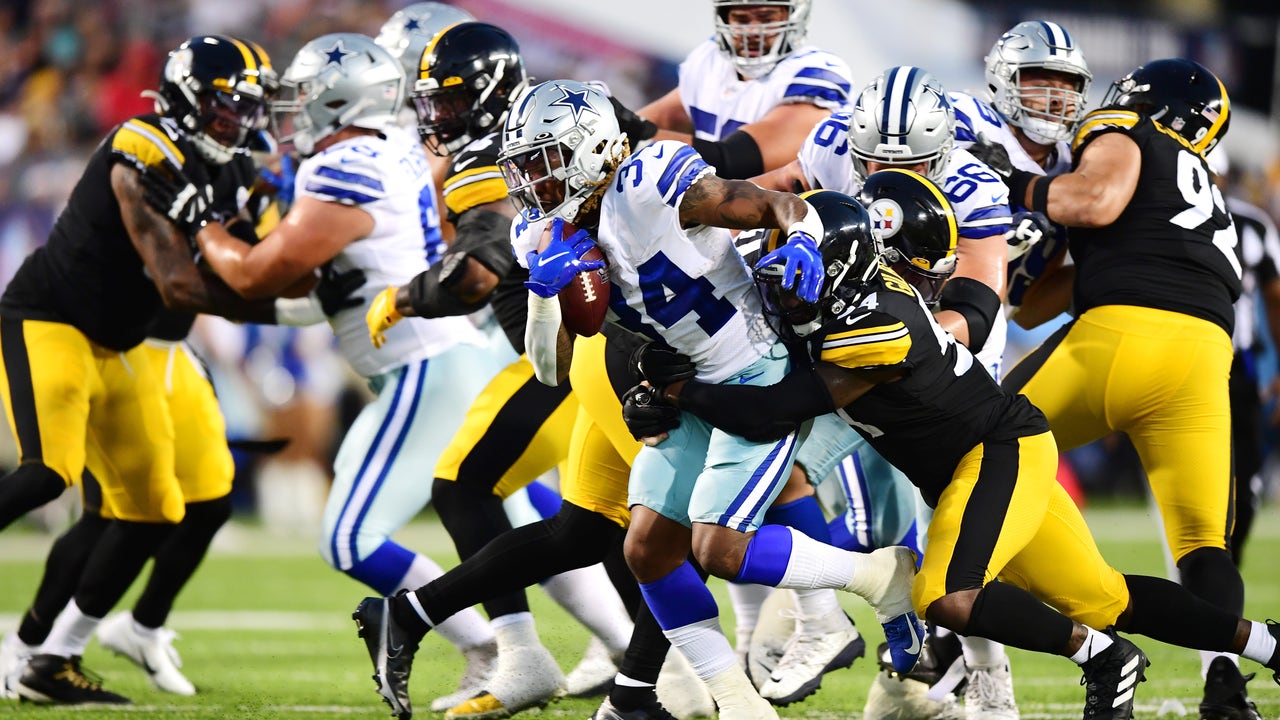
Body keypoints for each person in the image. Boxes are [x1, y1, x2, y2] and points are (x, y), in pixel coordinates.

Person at [627, 188, 1280, 720]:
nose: (785, 280)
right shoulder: (826, 293)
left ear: (842, 270)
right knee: (1104, 596)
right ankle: (1266, 641)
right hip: (968, 465)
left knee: (945, 595)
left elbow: (769, 407)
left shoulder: (876, 325)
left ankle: (1102, 657)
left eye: (803, 262)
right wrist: (658, 387)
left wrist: (683, 385)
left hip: (998, 452)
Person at [502, 79, 923, 720]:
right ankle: (738, 704)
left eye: (545, 159)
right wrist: (541, 293)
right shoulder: (543, 234)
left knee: (719, 548)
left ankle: (877, 577)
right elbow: (550, 369)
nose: (534, 180)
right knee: (644, 549)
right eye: (524, 165)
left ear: (589, 150)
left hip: (753, 370)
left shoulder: (649, 182)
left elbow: (767, 204)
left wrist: (804, 239)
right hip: (689, 387)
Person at [139, 31, 532, 711]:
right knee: (532, 518)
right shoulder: (395, 152)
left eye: (305, 98)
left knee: (351, 536)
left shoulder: (344, 164)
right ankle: (614, 648)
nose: (293, 115)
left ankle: (487, 648)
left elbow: (261, 273)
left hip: (423, 363)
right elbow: (325, 293)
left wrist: (200, 225)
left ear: (339, 99)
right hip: (440, 358)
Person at [365, 23, 667, 720]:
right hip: (596, 343)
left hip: (589, 349)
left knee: (637, 518)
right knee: (607, 524)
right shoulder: (573, 112)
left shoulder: (502, 160)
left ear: (494, 91)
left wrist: (405, 295)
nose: (440, 116)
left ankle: (562, 659)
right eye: (434, 103)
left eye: (452, 101)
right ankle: (641, 669)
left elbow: (475, 273)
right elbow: (648, 132)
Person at [0, 35, 290, 704]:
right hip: (52, 319)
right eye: (227, 107)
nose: (240, 120)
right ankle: (38, 653)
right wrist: (296, 311)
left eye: (249, 107)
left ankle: (46, 661)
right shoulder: (143, 147)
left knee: (156, 509)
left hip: (124, 343)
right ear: (189, 99)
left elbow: (264, 254)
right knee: (49, 473)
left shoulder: (235, 167)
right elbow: (180, 287)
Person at [973, 57, 1264, 720]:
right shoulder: (1203, 190)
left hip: (1124, 336)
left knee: (976, 444)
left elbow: (1091, 201)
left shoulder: (1125, 129)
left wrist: (1015, 184)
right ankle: (1227, 686)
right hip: (1201, 359)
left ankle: (1076, 635)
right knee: (1202, 544)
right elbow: (1039, 302)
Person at [951, 19, 1092, 330]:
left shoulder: (1073, 170)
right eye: (1041, 78)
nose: (1058, 97)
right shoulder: (969, 121)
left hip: (985, 326)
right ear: (1002, 79)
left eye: (1069, 82)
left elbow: (1028, 313)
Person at [640, 0, 852, 179]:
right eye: (741, 18)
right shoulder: (710, 60)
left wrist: (630, 134)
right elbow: (660, 119)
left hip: (781, 221)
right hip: (716, 211)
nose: (752, 31)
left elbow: (731, 162)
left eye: (767, 18)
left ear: (795, 15)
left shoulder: (812, 73)